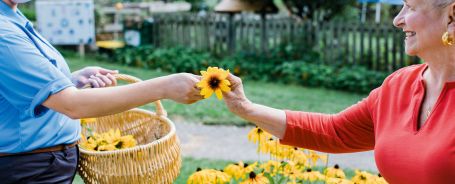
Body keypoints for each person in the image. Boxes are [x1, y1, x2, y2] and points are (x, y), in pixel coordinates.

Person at [223, 0, 455, 183]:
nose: (397, 20)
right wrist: (245, 108)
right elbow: (334, 132)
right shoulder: (398, 86)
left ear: (451, 16)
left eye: (411, 7)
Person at [0, 0, 202, 183]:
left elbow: (21, 89)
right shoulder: (4, 33)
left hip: (42, 165)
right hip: (27, 170)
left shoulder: (12, 16)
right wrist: (164, 87)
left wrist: (71, 81)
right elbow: (72, 104)